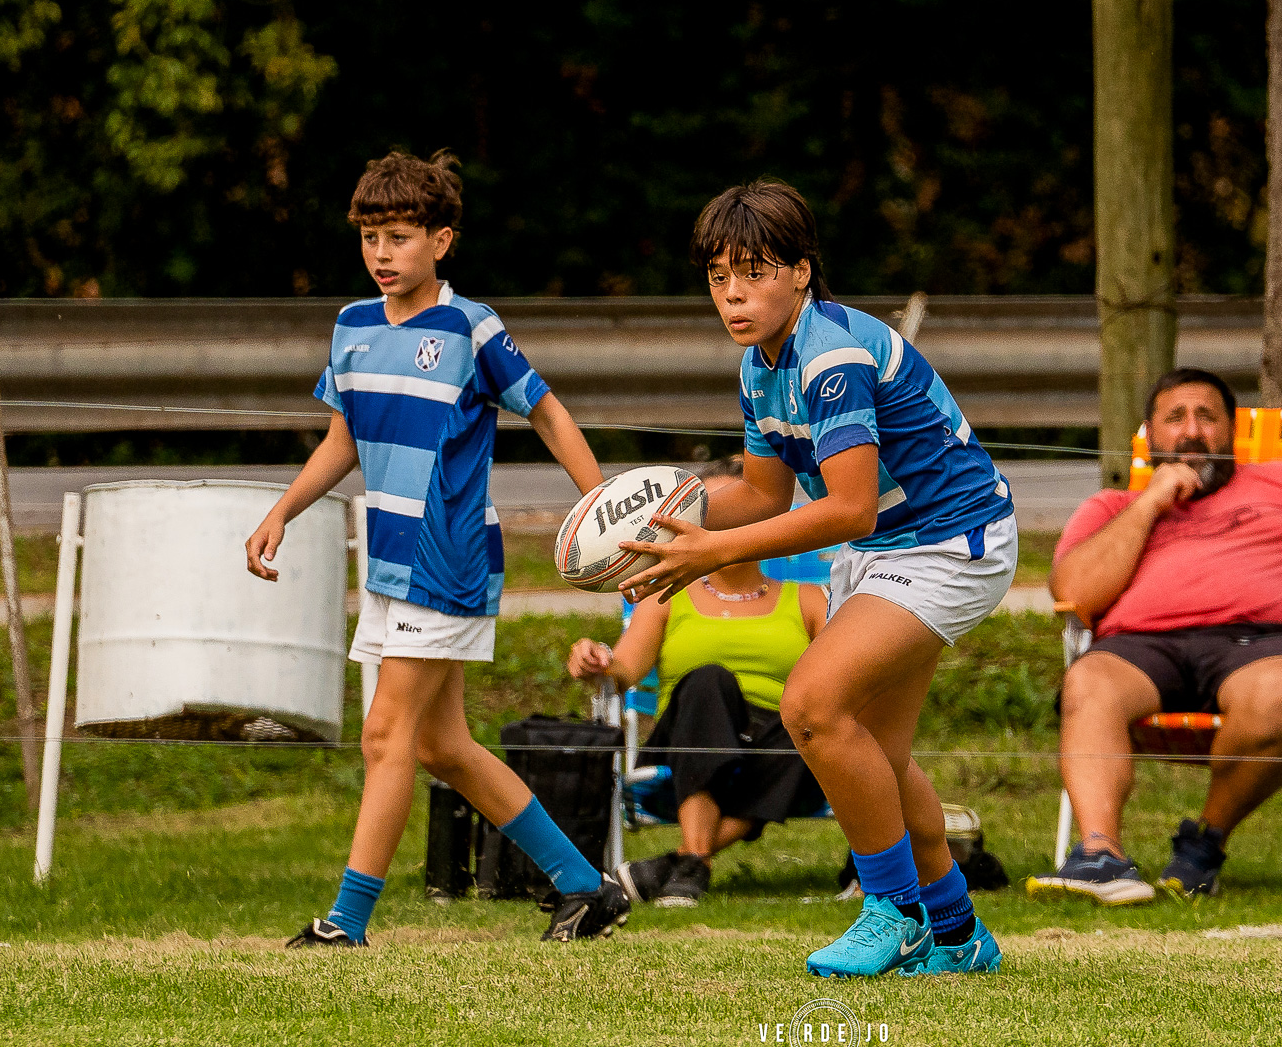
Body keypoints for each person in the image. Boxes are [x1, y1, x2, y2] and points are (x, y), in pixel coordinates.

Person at [616, 180, 1018, 977]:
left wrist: (706, 552)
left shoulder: (830, 355)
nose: (733, 293)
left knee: (810, 704)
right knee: (880, 757)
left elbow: (849, 509)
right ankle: (960, 934)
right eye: (718, 276)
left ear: (802, 271)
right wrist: (664, 517)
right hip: (889, 550)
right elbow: (762, 493)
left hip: (950, 543)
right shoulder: (759, 366)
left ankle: (892, 913)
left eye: (754, 271)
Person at [245, 150, 630, 946]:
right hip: (387, 561)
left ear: (442, 241)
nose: (382, 254)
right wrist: (283, 509)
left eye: (399, 237)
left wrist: (601, 507)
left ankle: (344, 925)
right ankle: (584, 887)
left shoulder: (470, 327)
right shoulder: (351, 326)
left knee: (386, 736)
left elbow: (549, 413)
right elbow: (342, 440)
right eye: (369, 238)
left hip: (445, 557)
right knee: (441, 746)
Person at [1028, 368, 1282, 904]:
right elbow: (1074, 593)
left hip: (1265, 644)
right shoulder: (1113, 509)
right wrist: (1150, 503)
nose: (1191, 431)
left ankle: (1202, 846)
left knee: (1281, 694)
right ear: (1149, 436)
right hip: (1141, 648)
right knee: (1088, 682)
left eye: (1207, 417)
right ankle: (1100, 856)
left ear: (1231, 431)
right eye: (1175, 419)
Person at [565, 461, 829, 908]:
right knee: (710, 682)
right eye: (711, 515)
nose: (725, 525)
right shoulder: (667, 593)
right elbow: (624, 668)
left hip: (780, 744)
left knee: (812, 721)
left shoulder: (808, 599)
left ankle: (687, 862)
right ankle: (693, 858)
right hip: (692, 734)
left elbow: (842, 681)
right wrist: (597, 661)